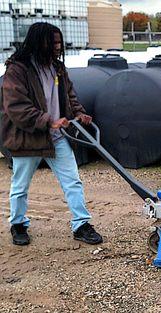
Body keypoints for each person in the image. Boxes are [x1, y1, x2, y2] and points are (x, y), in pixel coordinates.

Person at [1, 22, 103, 246]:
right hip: (28, 138)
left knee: (73, 181)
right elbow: (16, 106)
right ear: (39, 42)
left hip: (56, 137)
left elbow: (69, 96)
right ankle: (18, 224)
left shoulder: (57, 67)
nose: (58, 46)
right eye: (53, 42)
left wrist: (80, 114)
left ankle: (81, 224)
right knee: (20, 186)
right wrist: (48, 121)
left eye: (59, 42)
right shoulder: (17, 70)